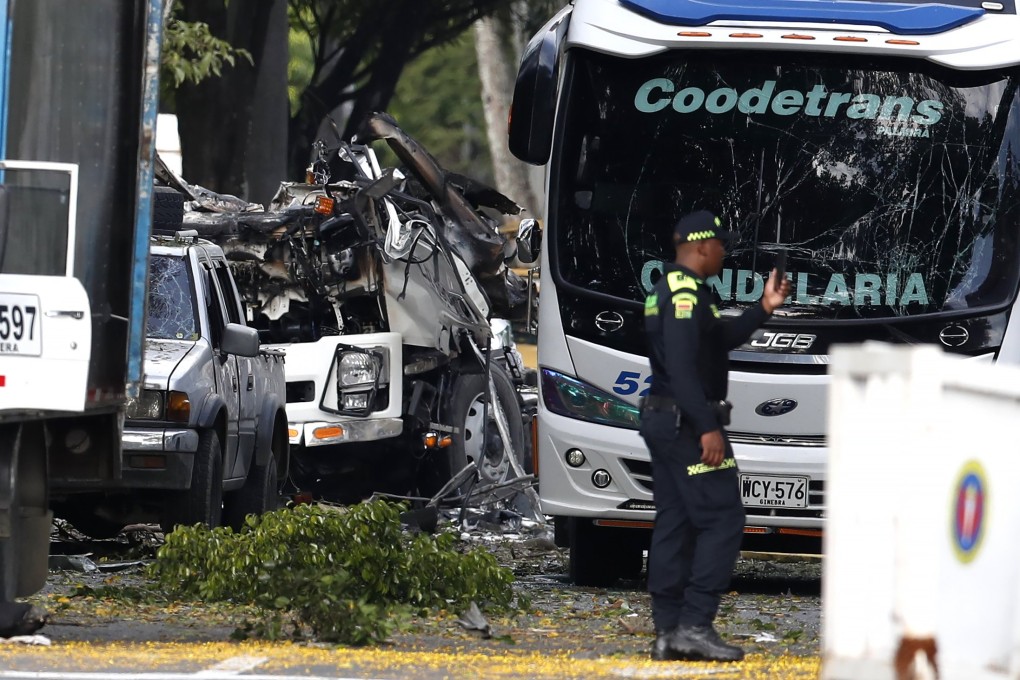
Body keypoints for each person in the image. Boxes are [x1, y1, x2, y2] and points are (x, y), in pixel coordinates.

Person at [640, 210, 791, 662]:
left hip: (663, 418)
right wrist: (708, 427)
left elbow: (718, 339)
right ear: (702, 247)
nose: (725, 252)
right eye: (721, 245)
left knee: (676, 519)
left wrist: (763, 308)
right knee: (723, 518)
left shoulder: (671, 289)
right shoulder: (685, 293)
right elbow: (684, 368)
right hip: (686, 422)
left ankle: (668, 631)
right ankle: (694, 624)